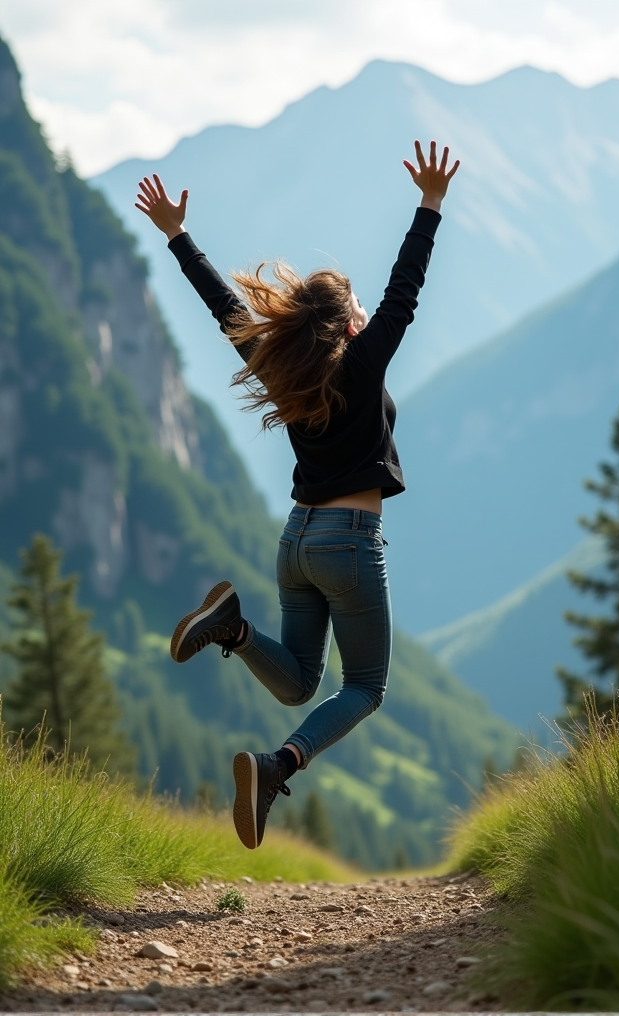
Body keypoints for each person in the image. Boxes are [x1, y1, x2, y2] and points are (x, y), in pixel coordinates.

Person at [135, 141, 459, 849]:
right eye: (364, 313)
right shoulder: (363, 365)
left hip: (297, 540)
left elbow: (228, 310)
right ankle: (277, 764)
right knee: (365, 688)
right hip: (347, 542)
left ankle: (233, 628)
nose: (375, 316)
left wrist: (177, 238)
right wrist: (430, 204)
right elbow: (406, 291)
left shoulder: (281, 368)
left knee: (298, 682)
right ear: (349, 326)